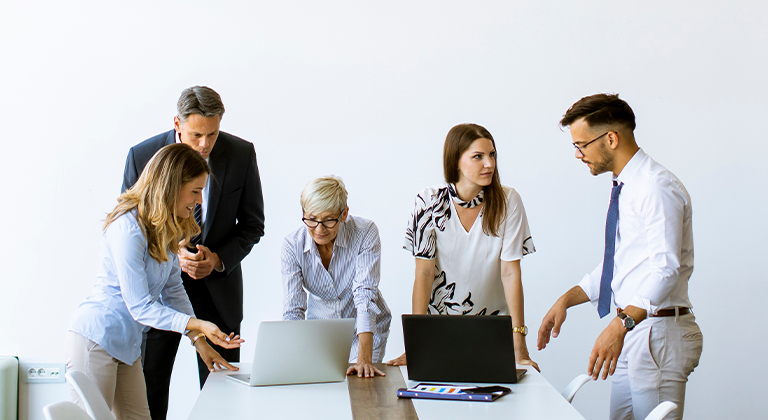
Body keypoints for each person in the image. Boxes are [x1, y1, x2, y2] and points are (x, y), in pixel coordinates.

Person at [536, 93, 703, 420]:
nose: (577, 154)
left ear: (610, 138)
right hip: (637, 333)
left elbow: (666, 270)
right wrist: (566, 300)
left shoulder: (655, 187)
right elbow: (618, 266)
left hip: (656, 334)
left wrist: (620, 323)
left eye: (581, 144)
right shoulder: (627, 186)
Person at [67, 143, 243, 420]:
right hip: (97, 338)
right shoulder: (127, 229)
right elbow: (140, 306)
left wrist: (200, 342)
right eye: (195, 191)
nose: (199, 201)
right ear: (172, 186)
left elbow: (173, 290)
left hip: (128, 345)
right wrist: (196, 324)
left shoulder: (164, 228)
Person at [121, 86, 265, 419]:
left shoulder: (241, 153)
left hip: (218, 293)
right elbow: (130, 226)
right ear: (177, 123)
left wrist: (216, 259)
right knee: (150, 387)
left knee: (224, 390)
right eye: (196, 135)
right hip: (157, 295)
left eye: (212, 135)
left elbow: (253, 225)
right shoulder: (142, 156)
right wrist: (174, 253)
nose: (204, 145)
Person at [388, 123, 538, 371]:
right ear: (455, 161)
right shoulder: (428, 201)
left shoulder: (509, 201)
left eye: (492, 155)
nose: (489, 164)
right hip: (439, 332)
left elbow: (511, 273)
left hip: (492, 331)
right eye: (478, 156)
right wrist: (417, 341)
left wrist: (519, 344)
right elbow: (424, 273)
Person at [281, 176, 391, 378]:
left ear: (344, 214)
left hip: (365, 331)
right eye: (312, 219)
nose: (320, 229)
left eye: (329, 220)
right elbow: (293, 308)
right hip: (321, 331)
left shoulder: (365, 233)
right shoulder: (292, 246)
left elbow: (365, 293)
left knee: (362, 387)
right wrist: (292, 359)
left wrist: (364, 359)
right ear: (304, 213)